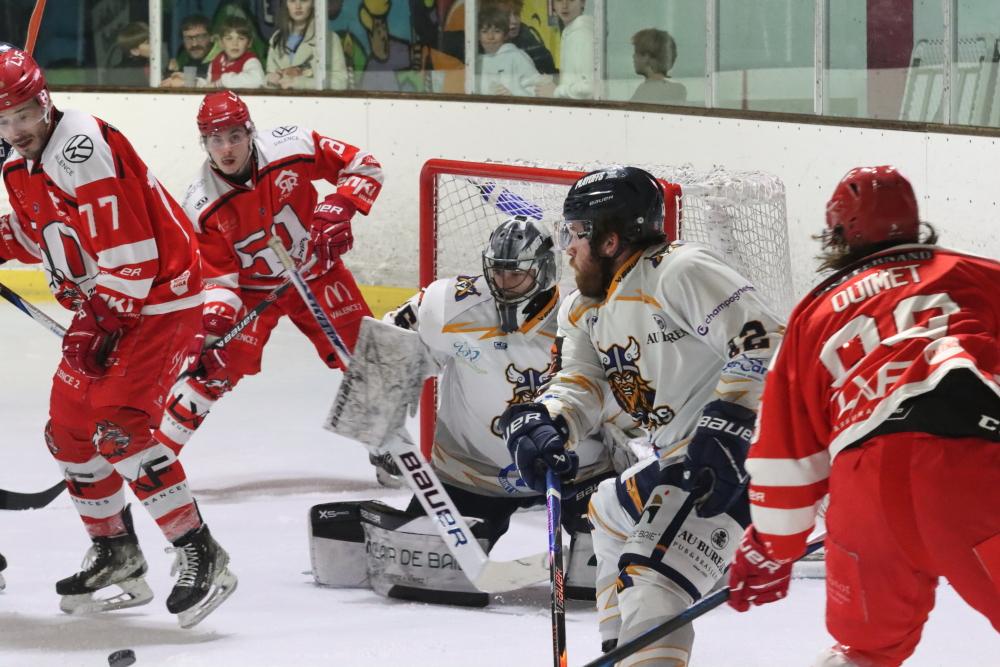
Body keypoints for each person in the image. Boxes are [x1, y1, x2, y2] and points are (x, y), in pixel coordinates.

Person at [500, 166, 783, 662]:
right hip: (682, 456)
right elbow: (580, 383)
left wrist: (729, 428)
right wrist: (547, 420)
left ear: (610, 240)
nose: (567, 248)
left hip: (746, 454)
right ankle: (626, 652)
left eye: (576, 233)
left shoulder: (679, 270)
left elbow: (766, 342)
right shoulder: (581, 308)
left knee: (652, 580)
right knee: (609, 512)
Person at [0, 48, 236, 628]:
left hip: (160, 301)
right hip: (108, 304)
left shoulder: (81, 148)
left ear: (44, 102)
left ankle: (201, 551)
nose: (17, 130)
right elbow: (40, 235)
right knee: (68, 431)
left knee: (117, 427)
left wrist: (101, 319)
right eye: (4, 120)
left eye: (24, 114)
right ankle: (116, 551)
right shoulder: (20, 166)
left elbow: (134, 254)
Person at [728, 166, 1000, 667]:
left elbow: (785, 458)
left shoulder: (812, 314)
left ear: (837, 236)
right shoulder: (980, 273)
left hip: (864, 491)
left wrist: (772, 546)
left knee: (864, 653)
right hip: (972, 468)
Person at [380, 217, 637, 567]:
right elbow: (386, 345)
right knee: (424, 572)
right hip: (471, 474)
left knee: (614, 571)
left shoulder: (585, 316)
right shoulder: (452, 304)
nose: (503, 282)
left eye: (516, 273)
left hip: (576, 473)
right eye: (497, 271)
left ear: (544, 272)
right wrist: (379, 421)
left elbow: (624, 395)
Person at [155, 91, 382, 460]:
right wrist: (212, 328)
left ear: (250, 132)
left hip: (317, 273)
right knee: (212, 369)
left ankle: (388, 447)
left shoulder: (293, 145)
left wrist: (341, 206)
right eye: (215, 139)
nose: (226, 148)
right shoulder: (201, 205)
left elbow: (364, 164)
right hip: (252, 292)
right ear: (204, 143)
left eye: (234, 136)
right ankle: (156, 457)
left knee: (369, 358)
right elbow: (218, 279)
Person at [266, 0, 347, 90]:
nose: (298, 6)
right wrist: (270, 79)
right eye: (292, 1)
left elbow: (341, 83)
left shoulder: (329, 39)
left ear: (313, 3)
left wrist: (300, 83)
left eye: (304, 0)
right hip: (280, 98)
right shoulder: (277, 38)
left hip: (313, 98)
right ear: (286, 4)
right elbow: (268, 77)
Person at [477, 5, 544, 97]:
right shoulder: (475, 62)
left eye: (497, 31)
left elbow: (537, 88)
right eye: (484, 31)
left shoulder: (516, 56)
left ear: (505, 34)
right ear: (477, 35)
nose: (490, 37)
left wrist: (513, 96)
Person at [535, 0, 593, 99]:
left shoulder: (582, 34)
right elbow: (577, 78)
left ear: (583, 2)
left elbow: (591, 87)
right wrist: (555, 79)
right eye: (559, 0)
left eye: (571, 0)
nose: (564, 5)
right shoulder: (570, 31)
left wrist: (556, 92)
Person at [482, 0, 557, 75]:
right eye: (506, 15)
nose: (514, 21)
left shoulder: (531, 44)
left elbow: (550, 74)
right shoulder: (478, 46)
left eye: (516, 14)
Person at [630, 28, 686, 105]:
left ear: (647, 57)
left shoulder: (645, 90)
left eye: (636, 52)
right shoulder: (679, 89)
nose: (633, 56)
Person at [208, 15, 265, 88]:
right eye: (229, 38)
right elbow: (209, 84)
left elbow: (258, 80)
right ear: (221, 43)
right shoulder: (216, 61)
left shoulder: (250, 61)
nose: (235, 43)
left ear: (249, 43)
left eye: (241, 39)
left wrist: (222, 82)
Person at [162, 14, 214, 88]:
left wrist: (185, 82)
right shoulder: (182, 58)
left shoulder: (223, 60)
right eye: (188, 38)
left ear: (211, 37)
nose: (194, 44)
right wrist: (171, 73)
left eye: (199, 37)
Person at [114, 21, 150, 87]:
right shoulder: (128, 75)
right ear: (135, 51)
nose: (155, 44)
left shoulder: (148, 62)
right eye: (148, 43)